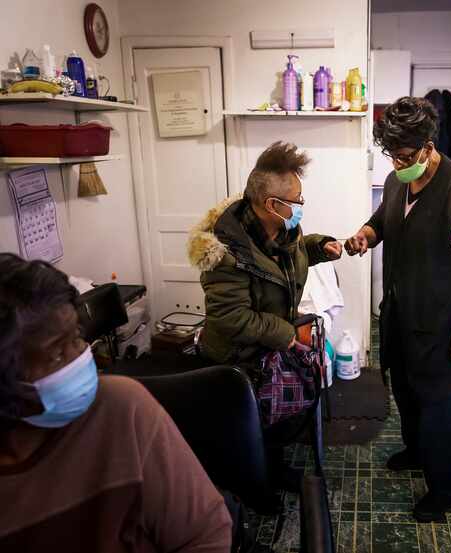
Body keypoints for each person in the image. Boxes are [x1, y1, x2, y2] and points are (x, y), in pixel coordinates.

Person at [0, 254, 231, 552]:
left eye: (78, 338)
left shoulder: (120, 409)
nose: (84, 359)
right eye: (57, 354)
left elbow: (207, 536)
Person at [344, 97, 451, 522]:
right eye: (391, 155)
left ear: (429, 146)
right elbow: (383, 219)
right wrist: (364, 236)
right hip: (399, 314)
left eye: (405, 156)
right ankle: (415, 450)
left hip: (442, 323)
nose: (396, 163)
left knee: (438, 406)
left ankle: (444, 488)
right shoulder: (397, 180)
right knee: (406, 393)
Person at [187, 141, 342, 490]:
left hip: (265, 344)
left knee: (275, 421)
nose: (302, 206)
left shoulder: (282, 227)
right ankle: (254, 486)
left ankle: (269, 467)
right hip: (236, 355)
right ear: (272, 204)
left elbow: (291, 256)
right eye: (298, 201)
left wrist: (319, 247)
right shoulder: (226, 254)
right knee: (250, 425)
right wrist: (285, 331)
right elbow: (230, 317)